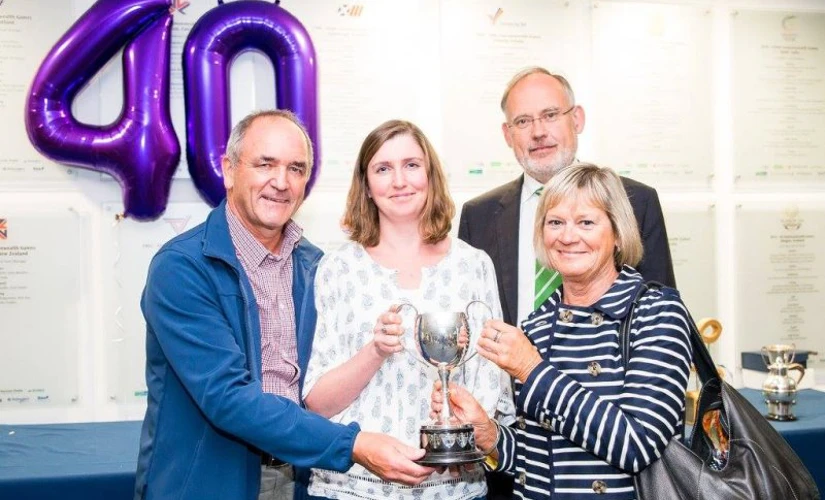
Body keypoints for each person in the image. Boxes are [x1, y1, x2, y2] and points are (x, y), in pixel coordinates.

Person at [135, 110, 434, 500]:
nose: (281, 182)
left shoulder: (316, 266)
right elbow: (227, 397)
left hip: (302, 478)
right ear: (228, 170)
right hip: (210, 483)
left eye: (296, 168)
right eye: (265, 164)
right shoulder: (183, 268)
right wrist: (354, 445)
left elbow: (330, 380)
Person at [433, 163, 693, 499]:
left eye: (586, 222)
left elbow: (636, 446)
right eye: (555, 222)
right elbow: (538, 460)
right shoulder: (537, 325)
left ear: (617, 232)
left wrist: (532, 370)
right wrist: (489, 435)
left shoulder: (657, 314)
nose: (568, 237)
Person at [301, 119, 515, 500]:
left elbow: (494, 389)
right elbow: (316, 404)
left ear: (430, 175)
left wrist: (460, 418)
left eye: (412, 165)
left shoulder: (474, 265)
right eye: (383, 169)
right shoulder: (337, 269)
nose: (399, 181)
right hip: (353, 490)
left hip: (452, 490)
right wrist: (375, 351)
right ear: (366, 186)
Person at [459, 66, 676, 330]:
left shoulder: (636, 202)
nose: (538, 132)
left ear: (576, 119)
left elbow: (662, 317)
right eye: (523, 121)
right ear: (508, 134)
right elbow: (470, 322)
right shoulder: (478, 216)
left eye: (550, 115)